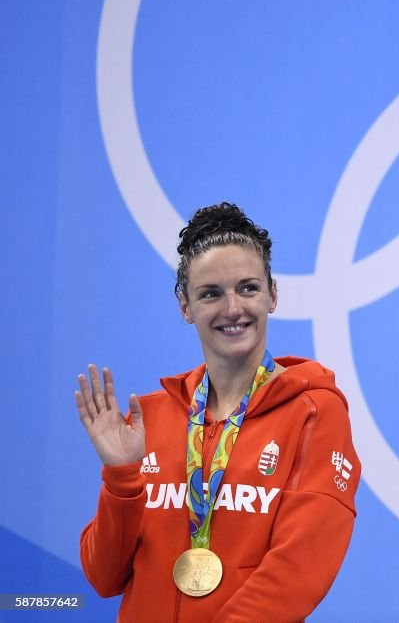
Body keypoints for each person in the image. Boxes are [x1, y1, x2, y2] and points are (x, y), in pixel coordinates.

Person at [75, 203, 360, 622]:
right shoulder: (150, 419)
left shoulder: (314, 411)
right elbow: (103, 577)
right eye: (211, 293)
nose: (232, 309)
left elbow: (299, 570)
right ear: (185, 307)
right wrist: (121, 479)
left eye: (248, 288)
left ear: (272, 295)